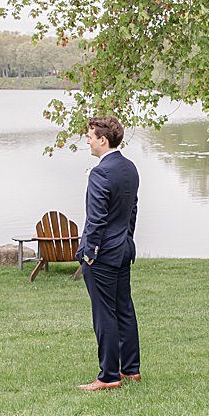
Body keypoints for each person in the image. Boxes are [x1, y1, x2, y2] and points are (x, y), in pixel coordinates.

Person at [76, 115, 140, 392]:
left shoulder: (101, 172)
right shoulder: (130, 168)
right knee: (124, 309)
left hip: (102, 254)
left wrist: (88, 252)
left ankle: (108, 376)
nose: (87, 141)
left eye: (89, 137)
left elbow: (97, 218)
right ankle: (131, 370)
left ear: (103, 140)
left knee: (105, 315)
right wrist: (127, 240)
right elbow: (132, 210)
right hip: (123, 249)